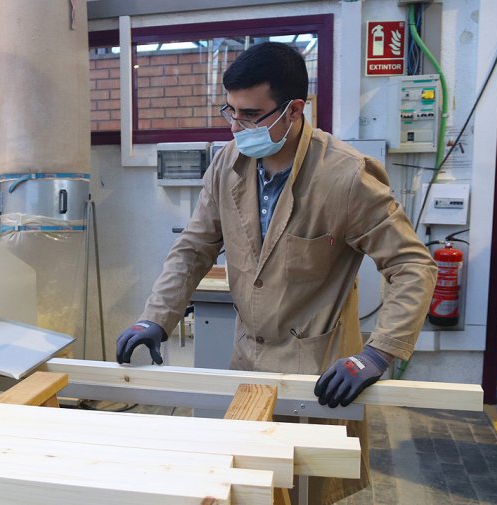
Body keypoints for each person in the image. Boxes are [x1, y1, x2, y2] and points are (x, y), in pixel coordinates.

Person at [115, 42, 437, 504]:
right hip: (248, 364)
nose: (237, 127)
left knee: (307, 489)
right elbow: (194, 247)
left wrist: (378, 354)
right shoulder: (228, 164)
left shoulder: (345, 177)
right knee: (250, 488)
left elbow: (411, 265)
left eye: (252, 115)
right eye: (230, 111)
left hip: (321, 375)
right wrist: (156, 317)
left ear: (294, 109)